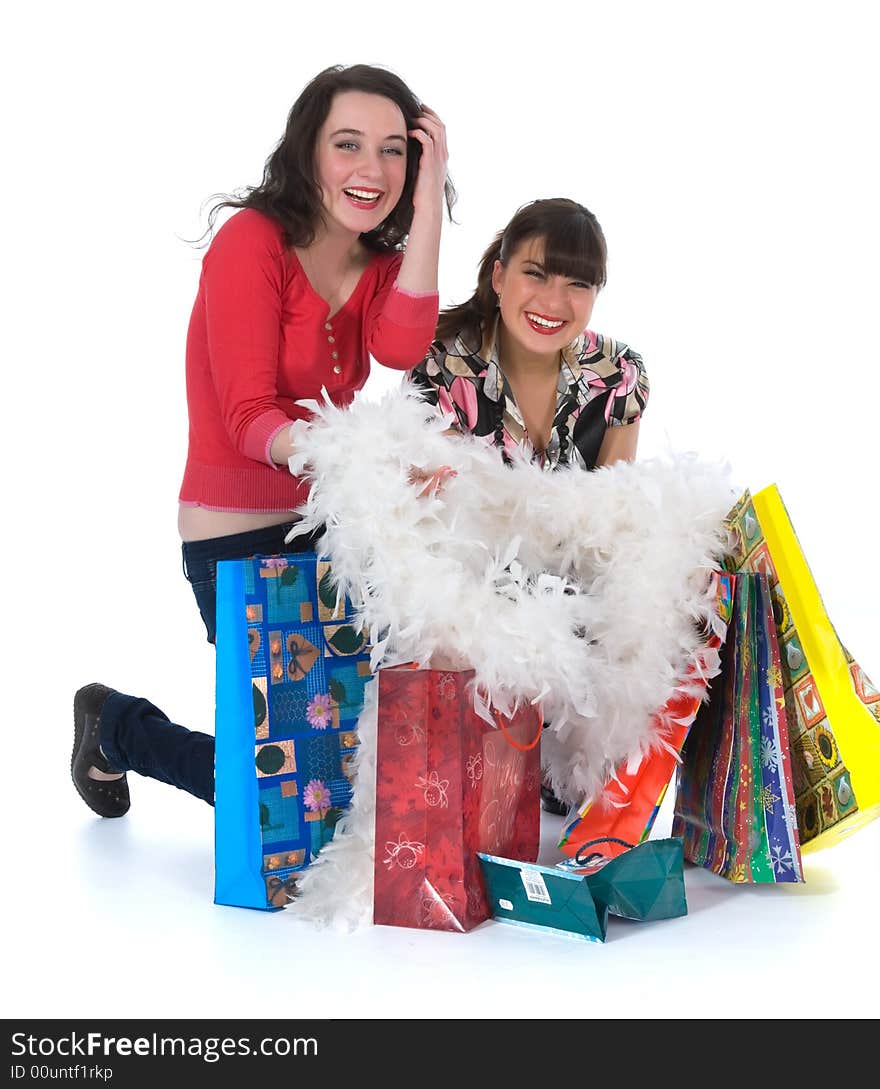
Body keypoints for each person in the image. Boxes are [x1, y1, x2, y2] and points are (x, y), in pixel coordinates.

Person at [71, 63, 454, 818]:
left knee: (349, 771)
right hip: (236, 541)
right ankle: (115, 725)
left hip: (330, 526)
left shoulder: (375, 261)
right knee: (283, 794)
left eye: (394, 151)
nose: (370, 170)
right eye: (348, 145)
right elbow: (250, 421)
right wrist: (364, 462)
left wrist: (431, 199)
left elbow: (404, 349)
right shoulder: (251, 242)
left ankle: (125, 730)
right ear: (308, 150)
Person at [407, 197, 648, 813]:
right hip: (480, 601)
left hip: (575, 605)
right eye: (536, 274)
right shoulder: (442, 364)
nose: (553, 301)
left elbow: (611, 520)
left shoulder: (617, 374)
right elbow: (442, 527)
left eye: (577, 284)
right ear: (499, 276)